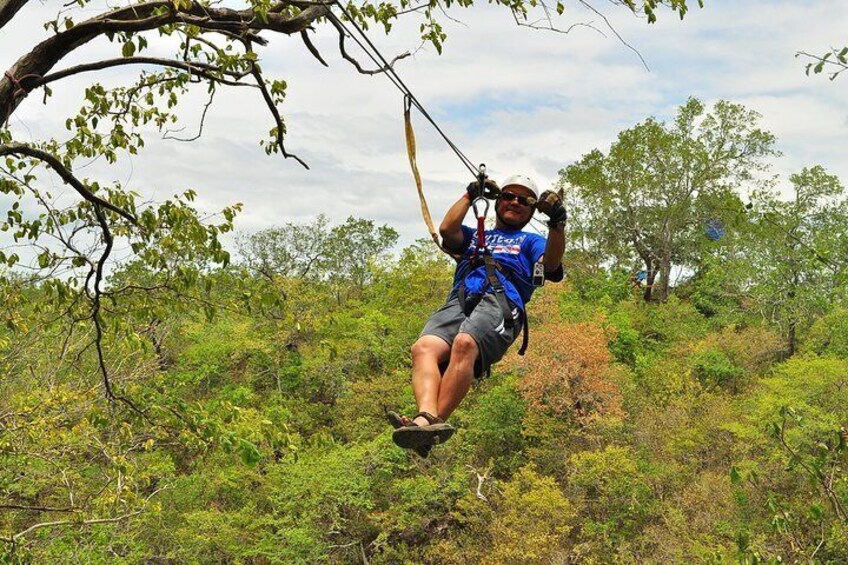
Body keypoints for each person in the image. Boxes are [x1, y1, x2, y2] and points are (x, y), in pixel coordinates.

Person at [389, 174, 566, 457]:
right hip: (463, 296)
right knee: (423, 348)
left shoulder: (531, 241)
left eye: (524, 200)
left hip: (502, 301)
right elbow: (448, 230)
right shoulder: (476, 235)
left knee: (465, 344)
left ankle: (429, 423)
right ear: (497, 202)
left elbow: (553, 263)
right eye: (508, 196)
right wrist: (471, 194)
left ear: (532, 210)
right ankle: (425, 416)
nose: (514, 203)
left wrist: (557, 222)